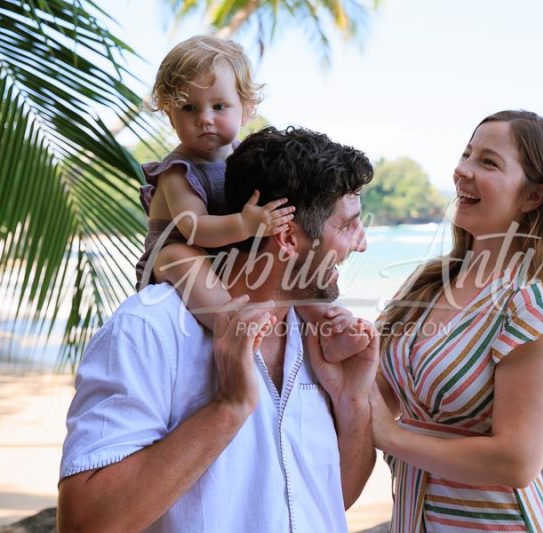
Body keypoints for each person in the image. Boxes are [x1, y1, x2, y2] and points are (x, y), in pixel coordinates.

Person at [58, 127, 378, 532]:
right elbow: (85, 523)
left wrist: (353, 401)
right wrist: (227, 407)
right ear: (287, 237)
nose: (361, 244)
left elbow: (330, 498)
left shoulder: (321, 338)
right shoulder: (149, 329)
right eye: (348, 226)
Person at [371, 110, 543, 532]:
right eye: (466, 154)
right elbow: (375, 391)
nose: (462, 170)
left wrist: (391, 437)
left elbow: (517, 462)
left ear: (534, 197)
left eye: (487, 162)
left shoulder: (533, 308)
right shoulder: (429, 283)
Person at [136, 33, 367, 362]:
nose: (204, 118)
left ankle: (329, 330)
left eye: (219, 106)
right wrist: (246, 224)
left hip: (227, 244)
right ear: (169, 115)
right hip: (176, 250)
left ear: (246, 110)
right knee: (182, 258)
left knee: (302, 271)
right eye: (188, 108)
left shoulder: (240, 155)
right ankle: (230, 325)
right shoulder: (177, 171)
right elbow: (195, 229)